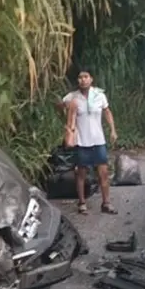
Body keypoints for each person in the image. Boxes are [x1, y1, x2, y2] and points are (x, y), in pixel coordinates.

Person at [60, 68, 119, 215]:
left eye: (86, 77)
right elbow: (60, 106)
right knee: (81, 174)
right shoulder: (73, 97)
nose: (83, 80)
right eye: (80, 77)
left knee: (103, 173)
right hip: (81, 141)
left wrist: (112, 130)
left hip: (98, 140)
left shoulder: (99, 95)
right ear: (77, 81)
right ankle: (82, 203)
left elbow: (107, 112)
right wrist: (68, 117)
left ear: (91, 79)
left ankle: (106, 203)